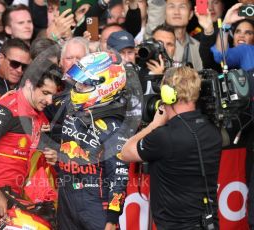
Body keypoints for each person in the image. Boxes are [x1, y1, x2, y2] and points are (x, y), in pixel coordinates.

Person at [0, 60, 64, 229]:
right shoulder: (8, 108)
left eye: (52, 95)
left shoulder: (39, 115)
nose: (49, 100)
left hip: (21, 200)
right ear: (29, 83)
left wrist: (53, 156)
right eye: (45, 92)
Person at [121, 66, 222, 229]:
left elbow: (125, 152)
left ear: (167, 95)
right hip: (208, 224)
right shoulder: (213, 131)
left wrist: (153, 125)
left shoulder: (164, 137)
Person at [56, 52, 129, 229]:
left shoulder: (116, 127)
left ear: (107, 86)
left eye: (85, 83)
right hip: (66, 198)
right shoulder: (72, 109)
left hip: (96, 205)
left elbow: (118, 175)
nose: (78, 87)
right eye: (79, 82)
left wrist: (112, 218)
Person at [211, 3, 254, 71]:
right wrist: (226, 23)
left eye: (248, 33)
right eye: (238, 31)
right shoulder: (246, 51)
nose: (241, 35)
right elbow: (221, 56)